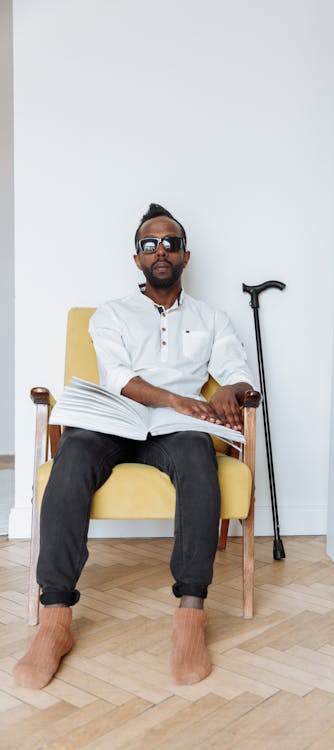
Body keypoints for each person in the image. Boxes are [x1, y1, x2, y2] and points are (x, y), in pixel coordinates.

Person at [14, 203, 255, 689]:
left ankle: (191, 616)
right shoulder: (110, 314)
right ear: (137, 258)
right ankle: (55, 619)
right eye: (150, 245)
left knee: (197, 458)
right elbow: (121, 378)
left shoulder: (212, 317)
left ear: (186, 255)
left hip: (174, 427)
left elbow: (235, 370)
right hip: (115, 418)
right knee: (73, 456)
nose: (160, 251)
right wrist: (178, 399)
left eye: (170, 243)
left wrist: (231, 387)